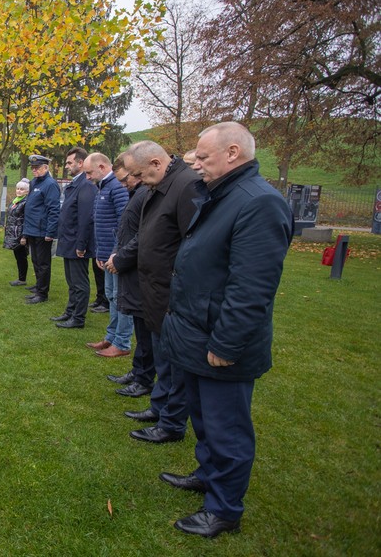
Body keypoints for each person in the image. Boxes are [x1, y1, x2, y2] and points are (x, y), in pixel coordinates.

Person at [158, 122, 292, 537]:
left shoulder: (258, 203)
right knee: (204, 417)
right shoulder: (221, 194)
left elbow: (252, 286)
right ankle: (208, 474)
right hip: (197, 332)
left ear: (233, 153)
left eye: (203, 156)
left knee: (227, 427)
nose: (195, 163)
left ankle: (224, 509)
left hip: (221, 341)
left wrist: (228, 342)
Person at [122, 141, 205, 444]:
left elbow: (192, 243)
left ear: (157, 163)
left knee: (174, 361)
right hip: (155, 290)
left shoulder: (185, 187)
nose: (139, 181)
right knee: (162, 356)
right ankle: (160, 408)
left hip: (171, 292)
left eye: (139, 174)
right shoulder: (161, 186)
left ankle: (171, 422)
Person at [104, 154, 155, 397]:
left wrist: (121, 257)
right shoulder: (138, 193)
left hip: (137, 266)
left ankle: (144, 378)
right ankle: (138, 371)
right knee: (138, 321)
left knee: (143, 325)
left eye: (127, 178)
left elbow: (144, 234)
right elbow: (127, 228)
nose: (125, 184)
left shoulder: (147, 193)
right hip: (128, 261)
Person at [83, 152, 131, 357]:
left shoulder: (117, 188)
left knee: (121, 299)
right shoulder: (102, 187)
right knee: (111, 296)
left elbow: (124, 222)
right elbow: (101, 223)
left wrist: (115, 253)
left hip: (116, 256)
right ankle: (110, 337)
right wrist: (100, 252)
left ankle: (122, 342)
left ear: (102, 167)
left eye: (89, 172)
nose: (87, 177)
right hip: (106, 253)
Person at [50, 148, 96, 328]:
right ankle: (70, 311)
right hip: (68, 240)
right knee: (71, 281)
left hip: (77, 243)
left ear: (81, 163)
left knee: (79, 282)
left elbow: (85, 218)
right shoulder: (75, 184)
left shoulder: (86, 185)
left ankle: (78, 318)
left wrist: (81, 244)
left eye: (70, 162)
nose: (67, 166)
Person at [21, 155, 61, 304]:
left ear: (46, 167)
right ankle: (38, 287)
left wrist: (50, 232)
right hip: (32, 229)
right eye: (32, 168)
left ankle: (42, 293)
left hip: (42, 231)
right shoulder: (34, 183)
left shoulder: (50, 184)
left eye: (37, 168)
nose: (34, 170)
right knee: (36, 261)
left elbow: (54, 209)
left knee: (43, 263)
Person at [2, 178, 30, 286]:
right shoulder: (15, 201)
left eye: (22, 189)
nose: (19, 191)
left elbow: (26, 220)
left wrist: (24, 236)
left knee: (22, 256)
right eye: (18, 188)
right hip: (13, 233)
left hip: (20, 234)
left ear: (27, 191)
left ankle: (22, 279)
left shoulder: (26, 202)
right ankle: (20, 278)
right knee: (18, 256)